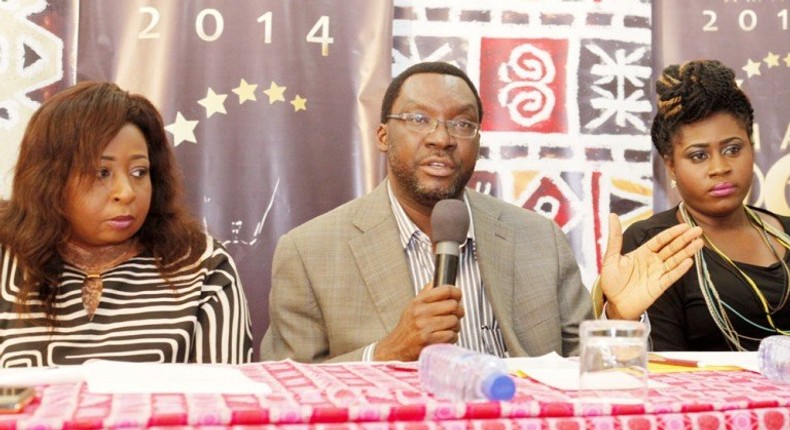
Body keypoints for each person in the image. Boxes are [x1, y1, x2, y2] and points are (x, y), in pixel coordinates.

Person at [260, 61, 702, 363]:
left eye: (462, 123)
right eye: (418, 119)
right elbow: (284, 395)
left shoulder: (538, 238)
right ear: (381, 135)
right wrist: (387, 352)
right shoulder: (308, 251)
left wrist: (617, 320)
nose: (441, 137)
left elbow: (585, 380)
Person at [0, 81, 253, 367]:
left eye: (139, 171)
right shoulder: (7, 259)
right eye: (102, 172)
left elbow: (227, 401)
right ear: (50, 179)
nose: (127, 192)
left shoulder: (202, 265)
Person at [608, 59, 790, 351]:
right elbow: (661, 372)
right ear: (670, 165)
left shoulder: (786, 232)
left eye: (733, 149)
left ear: (751, 147)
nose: (720, 167)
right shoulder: (655, 245)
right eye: (698, 156)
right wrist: (621, 317)